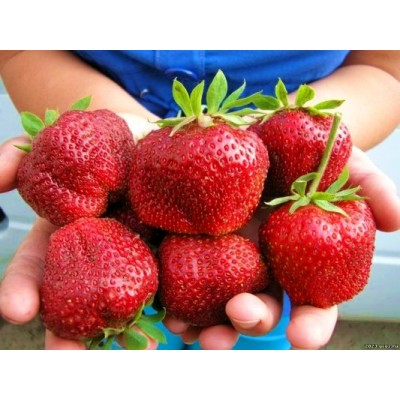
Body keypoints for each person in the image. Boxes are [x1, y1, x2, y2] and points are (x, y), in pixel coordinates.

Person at [0, 50, 399, 350]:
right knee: (135, 331)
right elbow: (19, 49)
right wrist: (117, 132)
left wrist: (304, 130)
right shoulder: (158, 154)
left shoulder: (265, 190)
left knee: (258, 332)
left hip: (268, 254)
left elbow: (386, 68)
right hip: (132, 272)